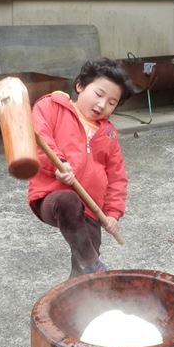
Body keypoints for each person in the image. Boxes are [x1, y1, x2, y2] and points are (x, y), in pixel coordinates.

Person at [28, 58, 132, 278]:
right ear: (80, 86)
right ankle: (92, 264)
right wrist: (59, 161)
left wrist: (112, 213)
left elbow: (116, 177)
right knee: (68, 201)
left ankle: (79, 297)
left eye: (112, 102)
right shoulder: (51, 107)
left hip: (92, 207)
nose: (103, 105)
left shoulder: (109, 134)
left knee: (83, 264)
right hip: (52, 197)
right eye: (99, 94)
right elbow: (39, 138)